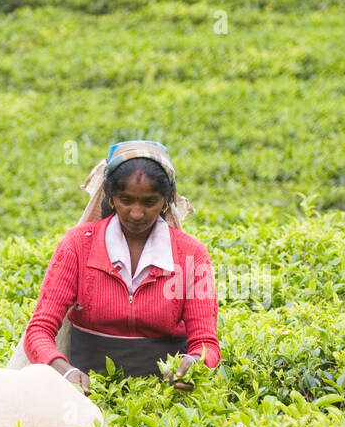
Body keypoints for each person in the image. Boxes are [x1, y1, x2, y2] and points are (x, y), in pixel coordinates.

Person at [20, 141, 219, 391]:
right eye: (126, 200)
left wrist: (194, 363)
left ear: (166, 201)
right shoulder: (77, 245)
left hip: (167, 393)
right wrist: (66, 372)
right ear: (111, 196)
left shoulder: (191, 254)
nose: (136, 213)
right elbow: (39, 330)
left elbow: (206, 344)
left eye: (149, 202)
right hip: (88, 393)